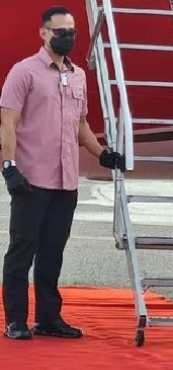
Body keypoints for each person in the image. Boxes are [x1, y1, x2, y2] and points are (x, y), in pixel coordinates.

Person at [0, 5, 125, 341]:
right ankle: (15, 319)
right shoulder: (23, 72)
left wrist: (102, 153)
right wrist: (8, 167)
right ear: (44, 33)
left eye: (72, 31)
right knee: (22, 249)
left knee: (53, 251)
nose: (68, 36)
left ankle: (48, 318)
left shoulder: (79, 74)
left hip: (66, 180)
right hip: (31, 179)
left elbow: (80, 123)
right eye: (61, 31)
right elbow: (7, 123)